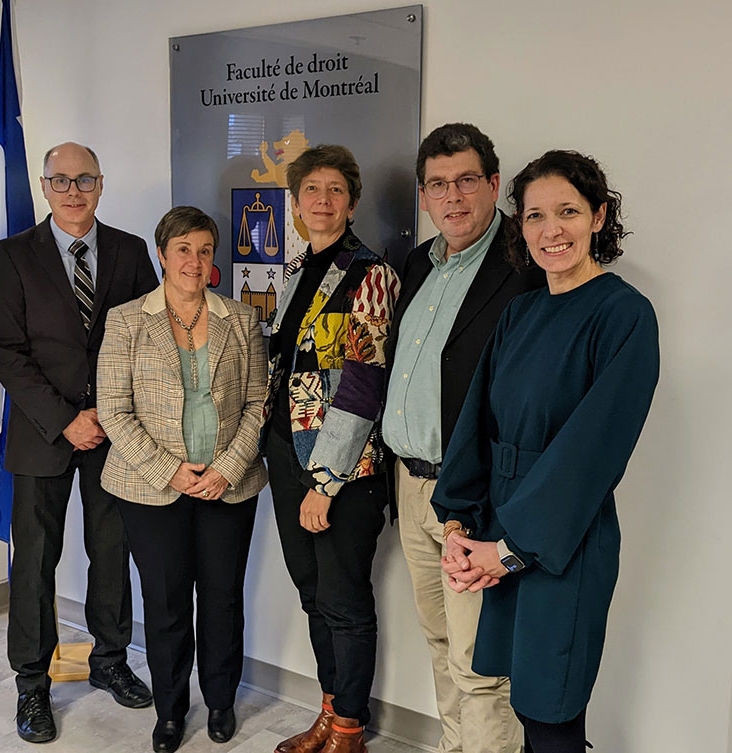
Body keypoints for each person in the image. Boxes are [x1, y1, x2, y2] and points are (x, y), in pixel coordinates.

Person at [432, 150, 659, 753]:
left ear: (598, 217)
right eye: (535, 216)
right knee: (521, 699)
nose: (550, 230)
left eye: (568, 212)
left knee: (552, 708)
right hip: (499, 526)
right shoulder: (520, 312)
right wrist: (458, 520)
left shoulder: (624, 314)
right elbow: (477, 425)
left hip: (564, 539)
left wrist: (508, 550)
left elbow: (591, 452)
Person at [0, 142, 158, 743]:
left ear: (101, 185)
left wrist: (109, 415)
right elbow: (7, 351)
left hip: (115, 434)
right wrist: (65, 420)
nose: (74, 190)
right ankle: (31, 685)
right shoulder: (12, 257)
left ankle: (110, 661)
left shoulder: (132, 253)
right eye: (62, 180)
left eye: (85, 179)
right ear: (44, 186)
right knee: (34, 562)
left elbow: (147, 340)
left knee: (112, 550)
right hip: (41, 435)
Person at [382, 123, 544, 753]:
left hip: (472, 494)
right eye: (439, 185)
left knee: (481, 665)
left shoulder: (524, 266)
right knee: (443, 644)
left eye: (468, 181)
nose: (454, 197)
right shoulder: (420, 261)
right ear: (423, 195)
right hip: (412, 484)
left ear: (495, 185)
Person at [97, 206, 267, 753]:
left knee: (221, 599)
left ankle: (220, 701)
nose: (193, 261)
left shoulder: (240, 319)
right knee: (166, 604)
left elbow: (259, 403)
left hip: (228, 486)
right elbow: (113, 410)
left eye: (203, 250)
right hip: (151, 490)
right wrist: (169, 469)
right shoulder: (126, 320)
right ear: (162, 255)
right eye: (182, 250)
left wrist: (226, 468)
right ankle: (170, 711)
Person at [261, 144, 399, 753]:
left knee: (344, 600)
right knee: (313, 593)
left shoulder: (372, 273)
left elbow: (365, 382)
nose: (323, 200)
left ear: (353, 201)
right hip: (288, 457)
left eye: (335, 190)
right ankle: (327, 710)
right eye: (311, 190)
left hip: (343, 469)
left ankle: (349, 728)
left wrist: (327, 481)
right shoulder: (295, 273)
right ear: (295, 204)